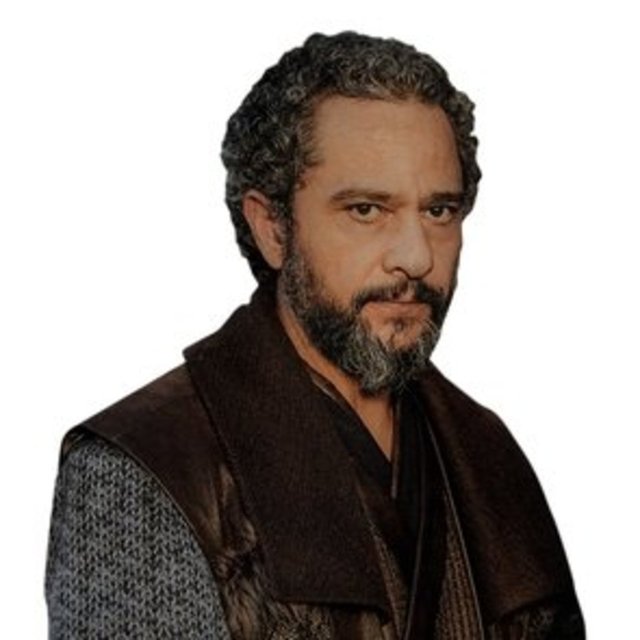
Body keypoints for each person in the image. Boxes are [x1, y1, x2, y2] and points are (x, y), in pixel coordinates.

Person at [45, 31, 585, 639]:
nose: (416, 257)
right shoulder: (151, 471)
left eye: (439, 211)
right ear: (273, 228)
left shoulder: (488, 453)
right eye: (366, 210)